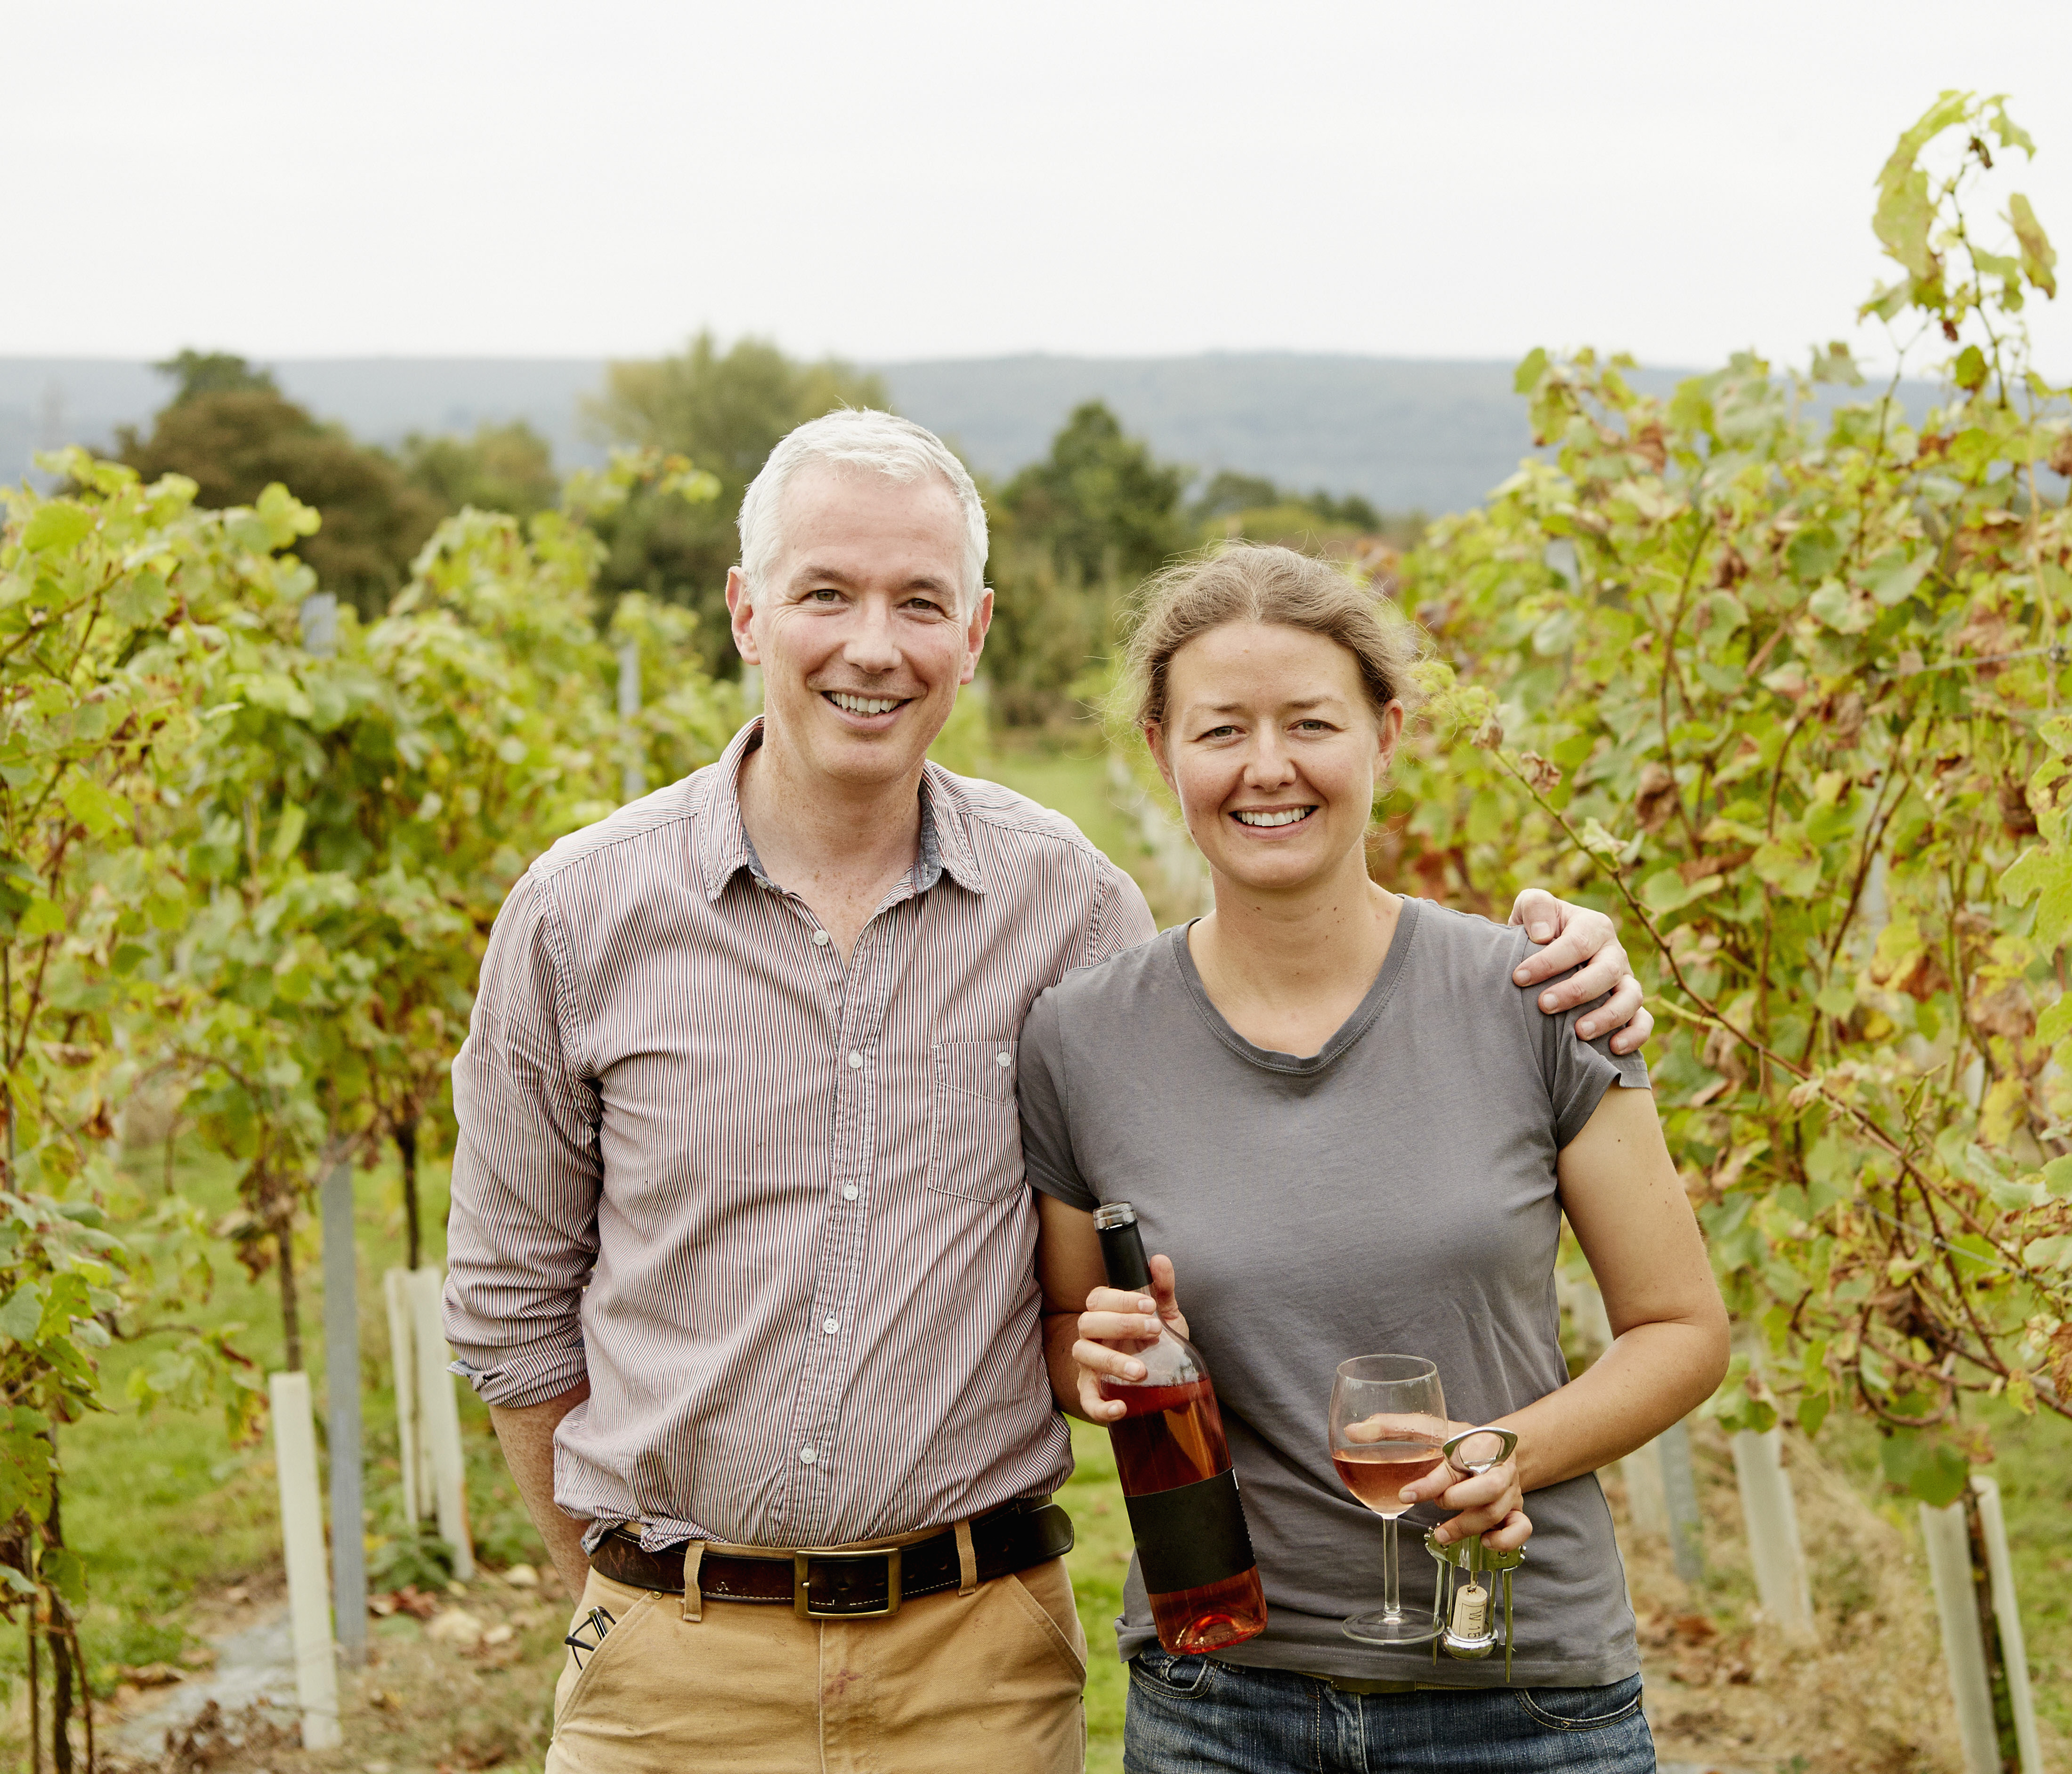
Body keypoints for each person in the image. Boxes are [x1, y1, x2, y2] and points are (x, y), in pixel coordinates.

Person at [442, 411, 1654, 1774]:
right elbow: (507, 1308)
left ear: (974, 632)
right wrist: (619, 1604)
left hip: (975, 1672)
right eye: (823, 593)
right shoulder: (577, 912)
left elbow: (1215, 1090)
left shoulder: (1069, 910)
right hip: (672, 1669)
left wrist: (1556, 960)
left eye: (920, 601)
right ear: (743, 610)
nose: (872, 644)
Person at [1021, 544, 1728, 1773]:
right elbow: (1067, 1318)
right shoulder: (1081, 1037)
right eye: (1220, 730)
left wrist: (1500, 1452)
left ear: (1387, 735)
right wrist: (1095, 1357)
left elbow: (1679, 1328)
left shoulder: (1538, 995)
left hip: (1516, 1690)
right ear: (1158, 751)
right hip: (1219, 1700)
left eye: (1311, 723)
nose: (1267, 768)